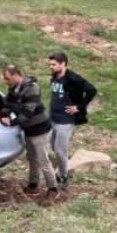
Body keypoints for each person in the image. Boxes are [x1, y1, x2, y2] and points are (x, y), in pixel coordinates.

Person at [0, 64, 59, 199]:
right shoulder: (14, 87)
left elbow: (27, 112)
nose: (6, 81)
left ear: (16, 75)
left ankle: (53, 188)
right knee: (32, 157)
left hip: (39, 129)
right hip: (28, 129)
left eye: (7, 78)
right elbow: (8, 104)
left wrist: (12, 122)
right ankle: (33, 184)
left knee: (43, 160)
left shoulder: (32, 88)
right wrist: (3, 114)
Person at [48, 52, 98, 188]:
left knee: (60, 150)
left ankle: (63, 176)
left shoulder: (73, 79)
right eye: (50, 65)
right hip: (53, 117)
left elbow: (92, 90)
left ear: (63, 64)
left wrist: (80, 107)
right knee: (53, 145)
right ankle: (62, 166)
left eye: (54, 64)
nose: (51, 67)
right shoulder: (54, 76)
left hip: (66, 120)